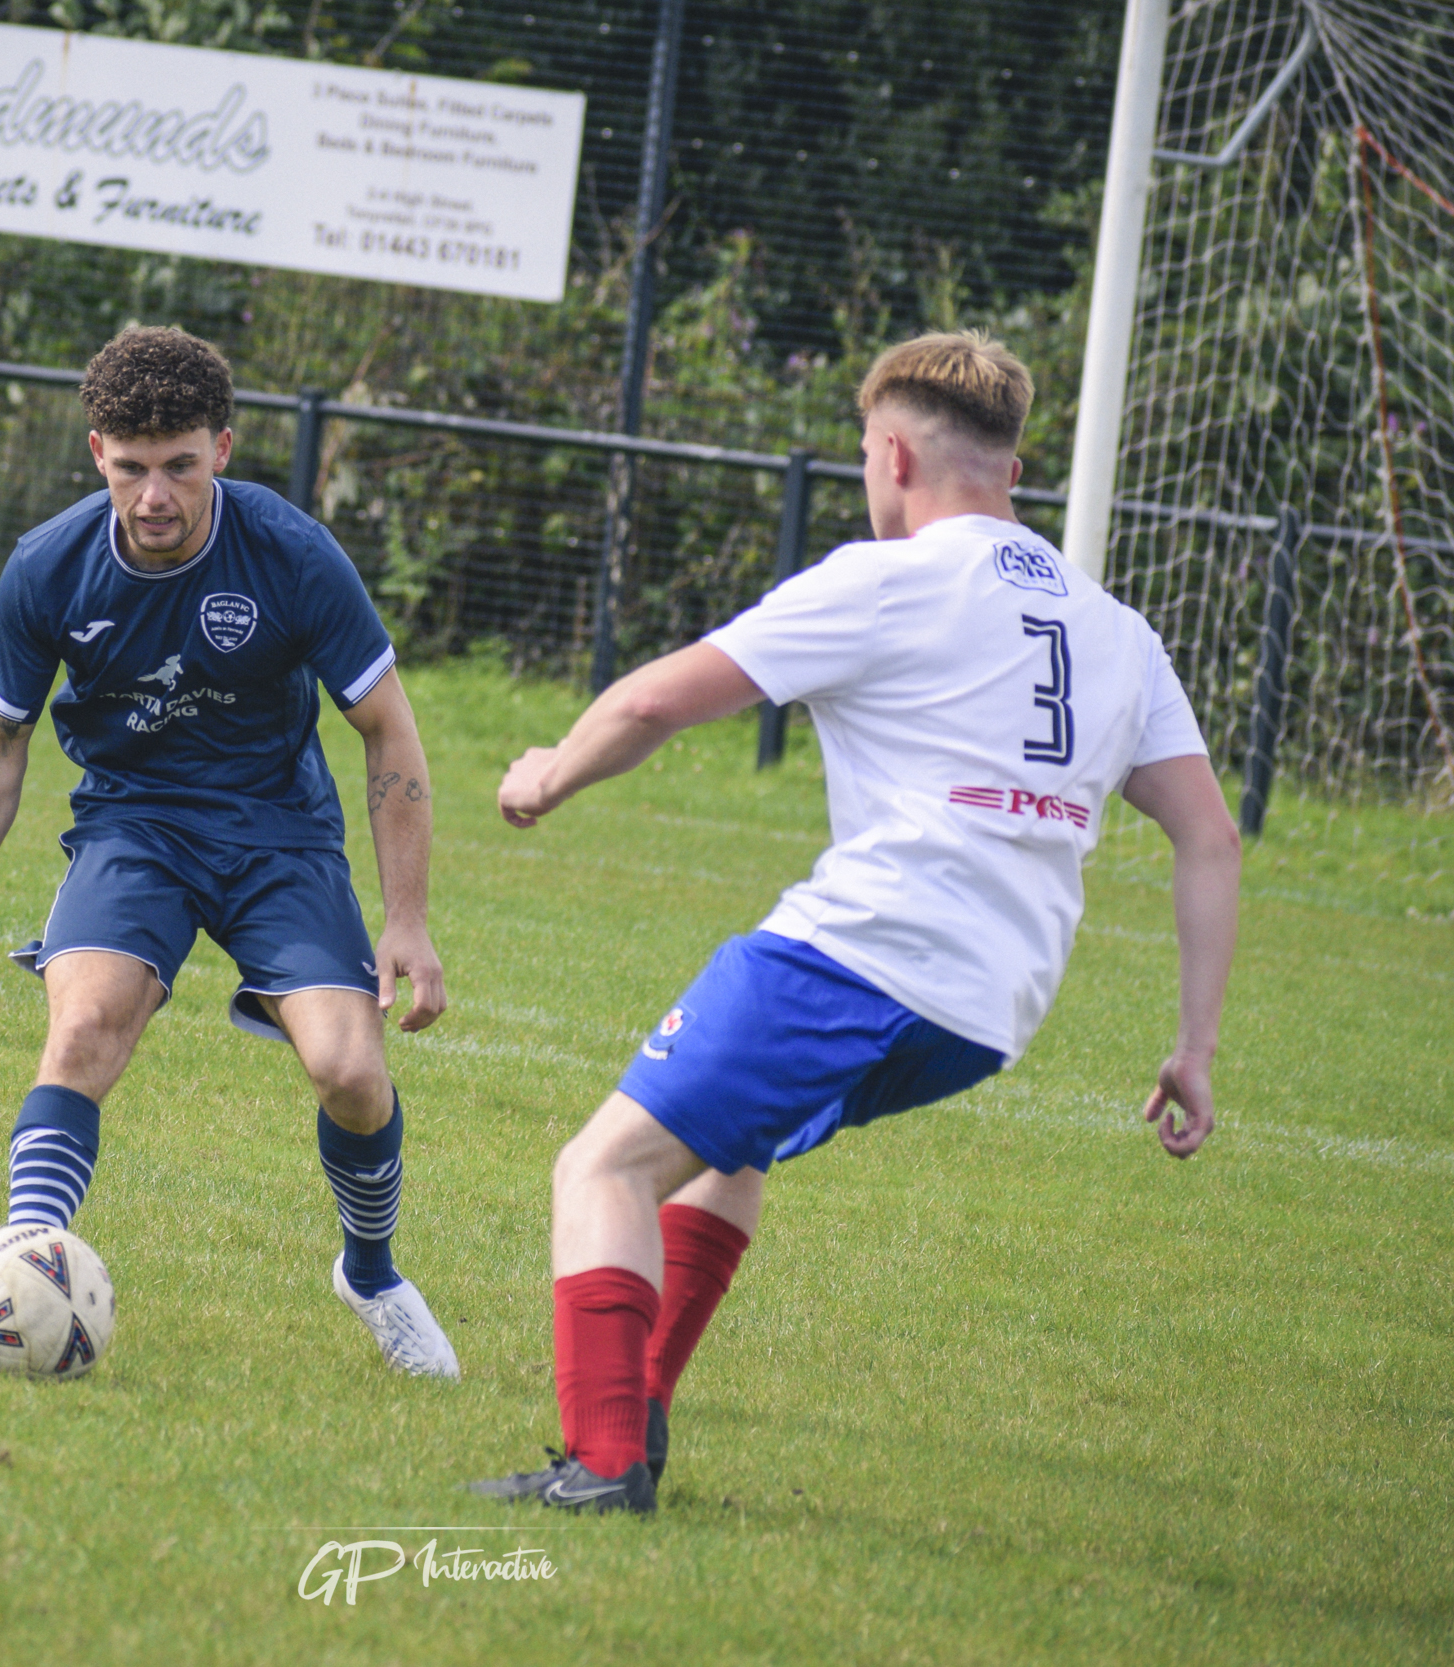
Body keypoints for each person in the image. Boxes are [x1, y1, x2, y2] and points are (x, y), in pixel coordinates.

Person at [470, 331, 1241, 1513]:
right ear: (1013, 468)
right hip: (992, 1007)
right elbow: (1208, 837)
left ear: (889, 453)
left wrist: (544, 777)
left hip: (867, 952)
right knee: (726, 1147)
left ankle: (602, 1464)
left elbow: (650, 699)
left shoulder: (887, 579)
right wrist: (1192, 1045)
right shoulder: (1116, 630)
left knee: (603, 1163)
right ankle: (644, 1414)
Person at [0, 326, 461, 1378]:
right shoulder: (49, 567)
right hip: (131, 826)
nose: (155, 495)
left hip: (278, 832)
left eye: (181, 466)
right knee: (85, 1029)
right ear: (97, 450)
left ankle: (370, 1270)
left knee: (347, 1070)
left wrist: (407, 920)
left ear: (223, 451)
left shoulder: (292, 554)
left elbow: (387, 728)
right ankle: (27, 1265)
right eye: (133, 467)